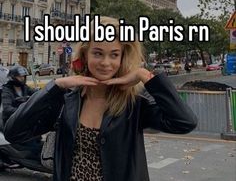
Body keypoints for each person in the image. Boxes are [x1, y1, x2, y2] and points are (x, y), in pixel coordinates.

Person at [4, 16, 197, 181]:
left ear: (122, 57)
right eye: (97, 53)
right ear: (85, 54)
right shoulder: (66, 99)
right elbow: (14, 132)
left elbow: (184, 122)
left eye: (114, 55)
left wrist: (144, 76)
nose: (106, 63)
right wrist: (55, 86)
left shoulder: (134, 101)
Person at [1, 65, 42, 159]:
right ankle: (30, 155)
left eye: (24, 77)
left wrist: (44, 93)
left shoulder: (24, 88)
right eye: (20, 77)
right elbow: (7, 109)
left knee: (38, 132)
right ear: (13, 77)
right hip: (11, 122)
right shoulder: (7, 90)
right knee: (31, 141)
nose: (22, 79)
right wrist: (23, 111)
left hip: (23, 120)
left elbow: (36, 94)